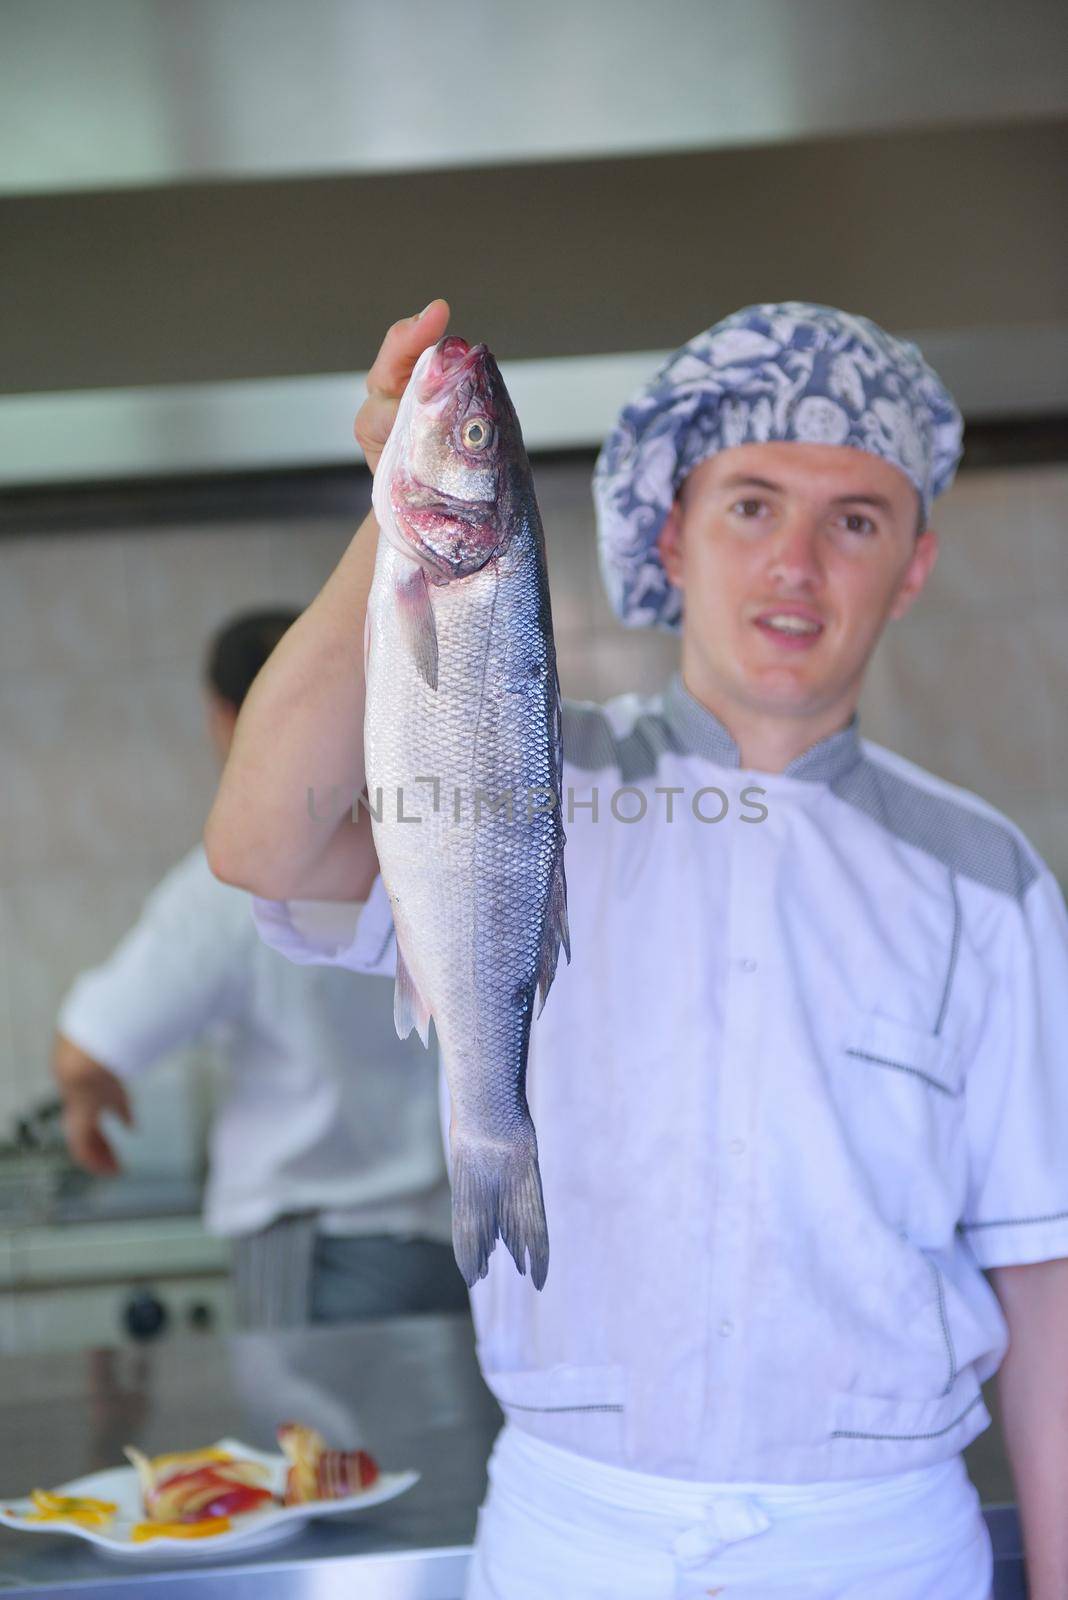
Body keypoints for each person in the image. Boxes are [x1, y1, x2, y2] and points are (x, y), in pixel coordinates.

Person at [203, 304, 1068, 1598]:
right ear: (673, 531)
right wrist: (400, 499)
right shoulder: (518, 772)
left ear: (915, 565)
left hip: (881, 1550)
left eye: (855, 521)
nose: (796, 565)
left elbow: (1043, 1282)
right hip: (575, 1538)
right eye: (751, 506)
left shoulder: (987, 880)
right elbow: (264, 837)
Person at [53, 609, 467, 1329]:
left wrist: (85, 1102)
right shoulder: (428, 846)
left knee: (315, 1448)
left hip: (322, 1257)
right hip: (452, 1243)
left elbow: (89, 1048)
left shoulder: (234, 879)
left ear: (224, 716)